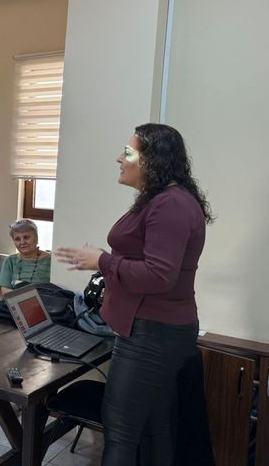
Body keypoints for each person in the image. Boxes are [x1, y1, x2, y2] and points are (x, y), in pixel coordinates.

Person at [55, 124, 213, 465]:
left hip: (152, 334)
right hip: (152, 330)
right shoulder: (161, 199)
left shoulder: (170, 205)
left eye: (128, 153)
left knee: (122, 434)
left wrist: (102, 259)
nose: (119, 158)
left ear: (152, 160)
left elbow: (159, 275)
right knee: (154, 428)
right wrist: (104, 260)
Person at [0, 218, 51, 303]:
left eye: (26, 237)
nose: (22, 242)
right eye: (17, 239)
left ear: (36, 238)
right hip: (15, 302)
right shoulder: (10, 260)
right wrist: (22, 301)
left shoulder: (50, 260)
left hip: (44, 302)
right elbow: (5, 289)